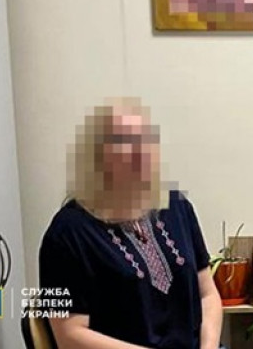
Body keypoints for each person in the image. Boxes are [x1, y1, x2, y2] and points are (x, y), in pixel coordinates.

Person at [39, 98, 222, 349]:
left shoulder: (177, 207)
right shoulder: (65, 234)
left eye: (145, 138)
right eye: (123, 141)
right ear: (97, 156)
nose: (140, 150)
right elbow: (69, 336)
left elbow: (208, 295)